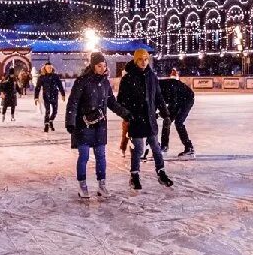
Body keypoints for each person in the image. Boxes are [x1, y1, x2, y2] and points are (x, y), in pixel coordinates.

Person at [65, 53, 130, 199]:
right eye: (99, 66)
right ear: (93, 66)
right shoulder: (82, 82)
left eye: (104, 65)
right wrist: (70, 122)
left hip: (100, 125)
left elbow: (112, 103)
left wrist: (125, 114)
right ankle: (82, 186)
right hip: (83, 125)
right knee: (84, 156)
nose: (103, 68)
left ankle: (102, 185)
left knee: (101, 155)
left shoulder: (105, 83)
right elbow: (73, 103)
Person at [116, 48, 174, 190]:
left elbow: (158, 97)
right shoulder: (128, 78)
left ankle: (161, 172)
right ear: (135, 60)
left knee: (156, 147)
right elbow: (120, 100)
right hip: (135, 119)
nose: (144, 62)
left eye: (146, 59)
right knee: (138, 149)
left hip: (149, 118)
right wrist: (128, 114)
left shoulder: (151, 76)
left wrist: (166, 114)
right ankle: (134, 175)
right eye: (140, 59)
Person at [158, 72, 195, 158]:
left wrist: (161, 114)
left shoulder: (168, 87)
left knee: (178, 122)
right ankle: (164, 147)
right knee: (166, 122)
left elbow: (173, 105)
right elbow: (157, 105)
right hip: (177, 100)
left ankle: (189, 148)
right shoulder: (156, 90)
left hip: (187, 99)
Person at [34, 63, 66, 132]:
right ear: (45, 68)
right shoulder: (42, 77)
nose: (49, 69)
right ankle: (46, 125)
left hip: (54, 95)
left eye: (50, 68)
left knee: (55, 111)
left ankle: (51, 121)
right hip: (46, 96)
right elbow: (37, 88)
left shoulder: (55, 76)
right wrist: (36, 97)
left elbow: (60, 86)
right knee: (47, 111)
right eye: (48, 68)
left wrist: (63, 94)